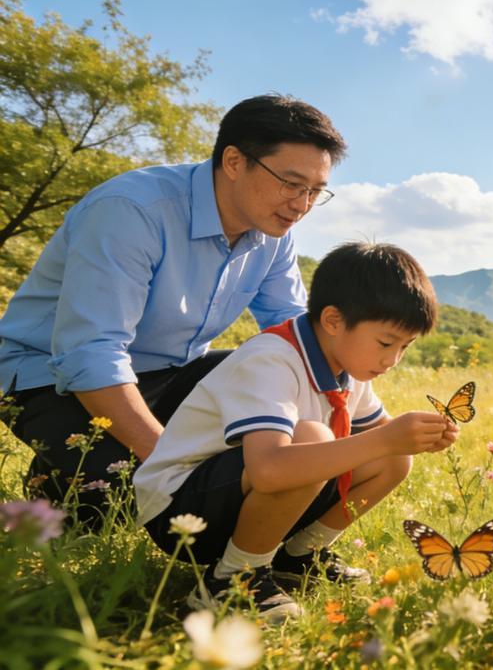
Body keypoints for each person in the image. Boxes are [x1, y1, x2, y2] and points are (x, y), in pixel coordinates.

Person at [0, 95, 345, 526]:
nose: (302, 205)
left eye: (315, 191)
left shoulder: (274, 231)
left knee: (279, 388)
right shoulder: (131, 211)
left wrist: (350, 430)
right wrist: (171, 465)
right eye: (291, 183)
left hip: (171, 372)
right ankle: (58, 480)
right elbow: (90, 355)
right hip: (51, 377)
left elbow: (294, 336)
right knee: (129, 500)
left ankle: (291, 547)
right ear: (235, 161)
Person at [134, 242, 456, 620]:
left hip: (239, 495)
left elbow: (383, 439)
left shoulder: (347, 367)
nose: (393, 360)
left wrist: (418, 438)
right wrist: (385, 438)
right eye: (386, 342)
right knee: (315, 440)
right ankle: (233, 579)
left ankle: (300, 555)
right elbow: (269, 469)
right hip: (180, 508)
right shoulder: (272, 359)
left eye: (405, 347)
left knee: (393, 457)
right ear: (334, 321)